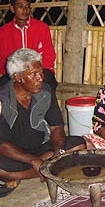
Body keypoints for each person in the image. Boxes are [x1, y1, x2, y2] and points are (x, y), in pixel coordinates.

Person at [0, 48, 86, 198]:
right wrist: (33, 160)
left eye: (40, 72)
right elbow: (2, 144)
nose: (40, 78)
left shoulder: (45, 91)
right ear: (17, 77)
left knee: (79, 144)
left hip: (42, 148)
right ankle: (48, 168)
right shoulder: (2, 99)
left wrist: (58, 152)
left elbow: (56, 127)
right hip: (15, 154)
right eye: (33, 74)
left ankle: (26, 173)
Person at [0, 0, 58, 91]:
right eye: (20, 6)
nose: (25, 10)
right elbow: (3, 60)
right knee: (3, 87)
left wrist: (34, 72)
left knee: (48, 82)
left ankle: (44, 106)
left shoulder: (42, 28)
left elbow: (49, 55)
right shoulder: (3, 32)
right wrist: (17, 74)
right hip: (15, 74)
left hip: (39, 70)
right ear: (12, 9)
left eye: (27, 6)